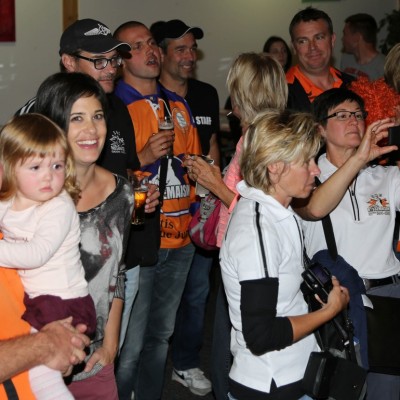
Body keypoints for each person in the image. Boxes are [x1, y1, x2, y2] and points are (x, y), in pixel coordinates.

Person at [16, 18, 159, 351]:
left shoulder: (117, 107)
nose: (110, 69)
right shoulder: (38, 117)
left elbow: (125, 170)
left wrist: (136, 193)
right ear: (69, 62)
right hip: (54, 276)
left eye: (114, 59)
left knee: (115, 355)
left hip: (116, 258)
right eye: (99, 60)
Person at [219, 109, 349, 399]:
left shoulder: (277, 211)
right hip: (270, 384)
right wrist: (329, 311)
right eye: (306, 162)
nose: (316, 170)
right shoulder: (258, 230)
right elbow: (261, 335)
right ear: (275, 167)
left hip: (294, 372)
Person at [185, 52, 288, 400]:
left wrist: (214, 183)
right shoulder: (269, 133)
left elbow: (261, 213)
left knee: (230, 354)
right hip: (247, 255)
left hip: (247, 259)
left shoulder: (260, 140)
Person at [113, 21, 202, 400]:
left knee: (161, 336)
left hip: (182, 239)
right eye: (136, 46)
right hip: (142, 239)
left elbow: (195, 164)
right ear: (120, 59)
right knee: (129, 344)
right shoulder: (114, 107)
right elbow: (105, 177)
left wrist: (199, 213)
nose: (149, 50)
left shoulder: (177, 103)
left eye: (150, 42)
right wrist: (143, 156)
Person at [35, 71, 133, 400]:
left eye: (97, 116)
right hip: (37, 363)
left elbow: (117, 273)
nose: (91, 129)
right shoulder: (30, 198)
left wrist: (111, 345)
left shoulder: (121, 193)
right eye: (77, 118)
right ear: (54, 125)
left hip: (94, 362)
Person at [303, 87, 400, 400]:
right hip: (339, 301)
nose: (354, 121)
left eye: (358, 115)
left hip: (387, 298)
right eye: (342, 115)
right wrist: (358, 160)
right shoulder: (307, 174)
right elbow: (315, 208)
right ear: (320, 128)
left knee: (386, 391)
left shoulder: (386, 176)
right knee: (341, 390)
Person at [0, 114, 96, 399]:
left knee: (44, 376)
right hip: (38, 297)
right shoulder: (11, 200)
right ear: (9, 168)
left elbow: (36, 254)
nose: (48, 176)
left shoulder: (58, 206)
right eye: (35, 167)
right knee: (40, 373)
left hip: (63, 300)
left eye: (57, 166)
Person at [153, 19, 220, 396]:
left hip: (198, 213)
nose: (189, 56)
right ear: (161, 54)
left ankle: (186, 363)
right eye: (180, 49)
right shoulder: (148, 96)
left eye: (192, 48)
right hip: (158, 216)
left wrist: (214, 195)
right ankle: (141, 370)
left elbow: (212, 146)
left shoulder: (206, 94)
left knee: (196, 293)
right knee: (152, 302)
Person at [286, 6, 354, 112]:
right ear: (294, 47)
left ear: (332, 40)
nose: (312, 47)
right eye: (303, 41)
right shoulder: (280, 94)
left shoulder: (354, 85)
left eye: (319, 37)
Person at [341, 13, 385, 81]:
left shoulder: (383, 66)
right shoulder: (346, 58)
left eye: (345, 34)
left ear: (356, 37)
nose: (342, 39)